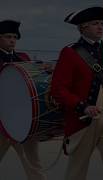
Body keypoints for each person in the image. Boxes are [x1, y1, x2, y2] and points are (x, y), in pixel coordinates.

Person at [50, 7, 103, 180]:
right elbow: (58, 90)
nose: (100, 27)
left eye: (102, 24)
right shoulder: (70, 52)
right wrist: (82, 107)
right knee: (77, 169)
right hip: (84, 120)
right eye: (95, 24)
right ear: (83, 28)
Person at [0, 19, 47, 180]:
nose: (12, 40)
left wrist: (44, 69)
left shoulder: (23, 58)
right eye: (8, 36)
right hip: (1, 122)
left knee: (34, 165)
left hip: (24, 121)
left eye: (14, 37)